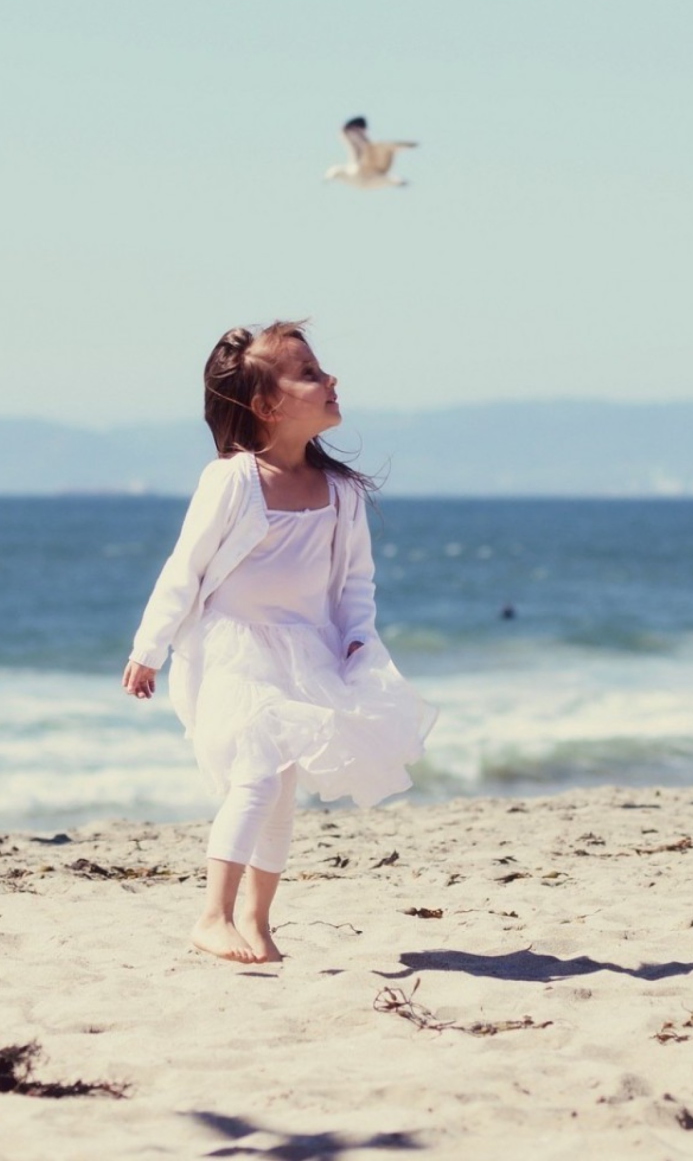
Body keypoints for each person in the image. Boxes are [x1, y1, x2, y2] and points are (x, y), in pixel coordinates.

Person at [122, 320, 435, 964]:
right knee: (257, 775)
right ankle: (213, 915)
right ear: (267, 406)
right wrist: (148, 648)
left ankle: (259, 921)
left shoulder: (341, 493)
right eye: (311, 373)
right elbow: (184, 568)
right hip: (235, 652)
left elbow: (354, 582)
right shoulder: (233, 481)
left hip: (307, 653)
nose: (330, 380)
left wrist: (356, 642)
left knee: (283, 793)